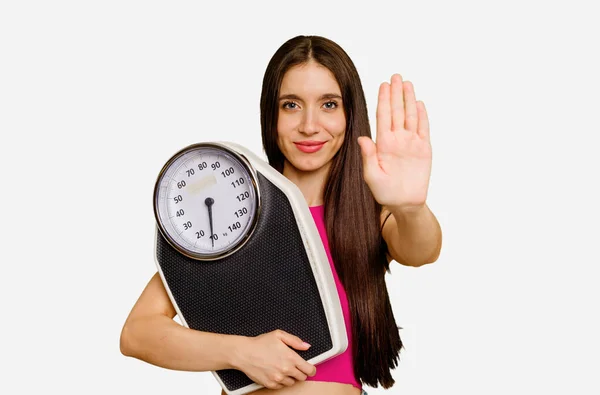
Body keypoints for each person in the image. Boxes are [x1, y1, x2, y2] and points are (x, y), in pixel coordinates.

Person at [120, 35, 442, 395]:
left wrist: (410, 208)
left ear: (350, 114)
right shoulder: (235, 215)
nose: (309, 125)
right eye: (291, 105)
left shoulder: (371, 213)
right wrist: (240, 353)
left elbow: (421, 251)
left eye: (329, 104)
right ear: (270, 115)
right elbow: (137, 333)